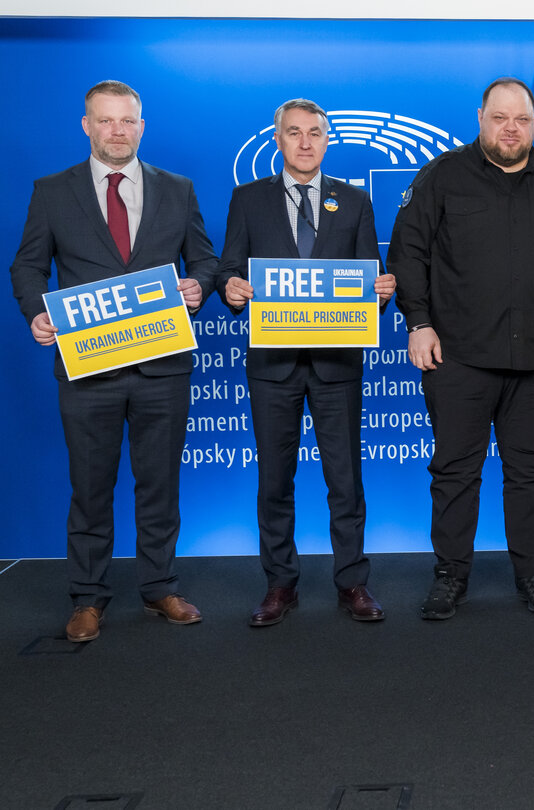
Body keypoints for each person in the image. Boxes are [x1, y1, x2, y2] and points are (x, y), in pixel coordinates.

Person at [9, 80, 218, 642]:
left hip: (163, 368)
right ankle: (87, 598)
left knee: (160, 486)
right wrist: (35, 312)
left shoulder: (178, 188)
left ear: (141, 126)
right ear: (86, 126)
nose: (117, 131)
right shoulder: (53, 191)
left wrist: (199, 285)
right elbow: (28, 267)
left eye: (127, 121)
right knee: (90, 488)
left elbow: (204, 259)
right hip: (88, 369)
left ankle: (159, 588)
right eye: (105, 121)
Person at [387, 77, 534, 620]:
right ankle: (450, 576)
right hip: (456, 357)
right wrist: (418, 322)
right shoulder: (441, 177)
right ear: (480, 117)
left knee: (531, 473)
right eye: (500, 118)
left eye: (522, 120)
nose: (511, 129)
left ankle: (532, 573)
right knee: (455, 472)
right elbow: (408, 252)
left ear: (533, 125)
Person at [217, 99, 396, 627]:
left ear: (326, 139)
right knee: (275, 479)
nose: (304, 142)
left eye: (315, 133)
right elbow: (229, 267)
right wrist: (230, 287)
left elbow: (372, 277)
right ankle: (280, 585)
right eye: (293, 133)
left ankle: (353, 583)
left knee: (345, 478)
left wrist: (382, 292)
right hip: (272, 365)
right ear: (278, 139)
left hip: (337, 363)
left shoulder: (355, 201)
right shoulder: (247, 199)